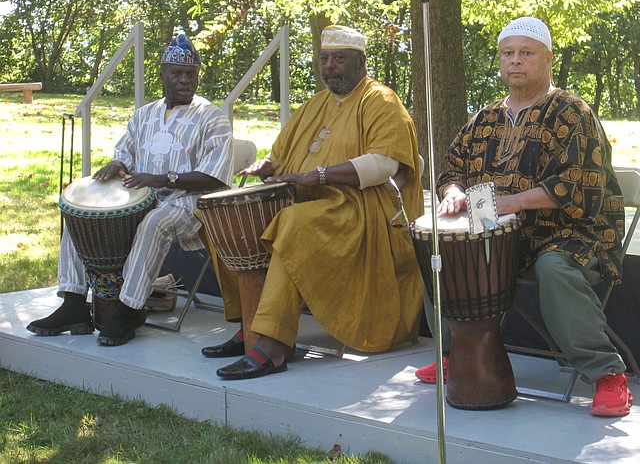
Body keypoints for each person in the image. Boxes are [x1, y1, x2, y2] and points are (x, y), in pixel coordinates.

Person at [416, 16, 632, 417]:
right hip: (498, 236)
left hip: (570, 234)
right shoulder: (484, 119)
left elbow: (579, 186)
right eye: (508, 53)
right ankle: (457, 355)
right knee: (441, 257)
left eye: (526, 53)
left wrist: (513, 202)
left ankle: (606, 375)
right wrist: (454, 193)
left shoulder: (572, 113)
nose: (515, 61)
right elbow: (452, 171)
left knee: (555, 268)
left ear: (547, 58)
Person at [203, 25, 425, 380]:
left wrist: (318, 176)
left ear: (361, 61)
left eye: (339, 59)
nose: (330, 66)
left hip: (361, 211)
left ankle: (273, 346)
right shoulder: (313, 105)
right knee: (227, 215)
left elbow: (385, 164)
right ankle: (251, 329)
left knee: (293, 224)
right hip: (307, 200)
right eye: (324, 59)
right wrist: (267, 166)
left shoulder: (380, 100)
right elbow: (281, 156)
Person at [27, 34, 235, 346]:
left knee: (155, 222)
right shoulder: (143, 115)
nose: (185, 80)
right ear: (161, 75)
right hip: (141, 198)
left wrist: (164, 179)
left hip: (190, 203)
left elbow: (215, 177)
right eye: (176, 73)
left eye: (190, 74)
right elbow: (125, 152)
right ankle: (73, 303)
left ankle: (127, 311)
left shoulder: (212, 117)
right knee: (83, 215)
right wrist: (117, 164)